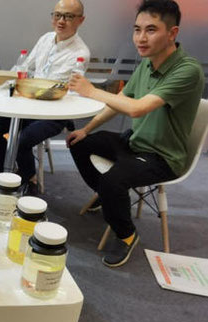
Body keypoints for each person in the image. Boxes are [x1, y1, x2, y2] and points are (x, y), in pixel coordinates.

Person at [67, 0, 204, 268]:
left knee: (113, 181)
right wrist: (86, 129)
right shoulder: (147, 62)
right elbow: (120, 100)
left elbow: (137, 108)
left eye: (151, 30)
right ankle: (108, 197)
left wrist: (91, 91)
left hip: (162, 157)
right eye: (137, 29)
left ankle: (127, 235)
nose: (141, 38)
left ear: (172, 33)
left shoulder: (187, 70)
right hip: (134, 143)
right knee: (79, 143)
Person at [0, 0, 89, 195]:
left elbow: (52, 88)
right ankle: (5, 174)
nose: (61, 21)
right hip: (29, 104)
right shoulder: (46, 39)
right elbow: (26, 67)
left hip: (55, 112)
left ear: (81, 20)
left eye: (68, 16)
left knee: (22, 140)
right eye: (57, 15)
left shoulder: (80, 53)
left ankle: (28, 177)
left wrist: (25, 86)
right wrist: (10, 80)